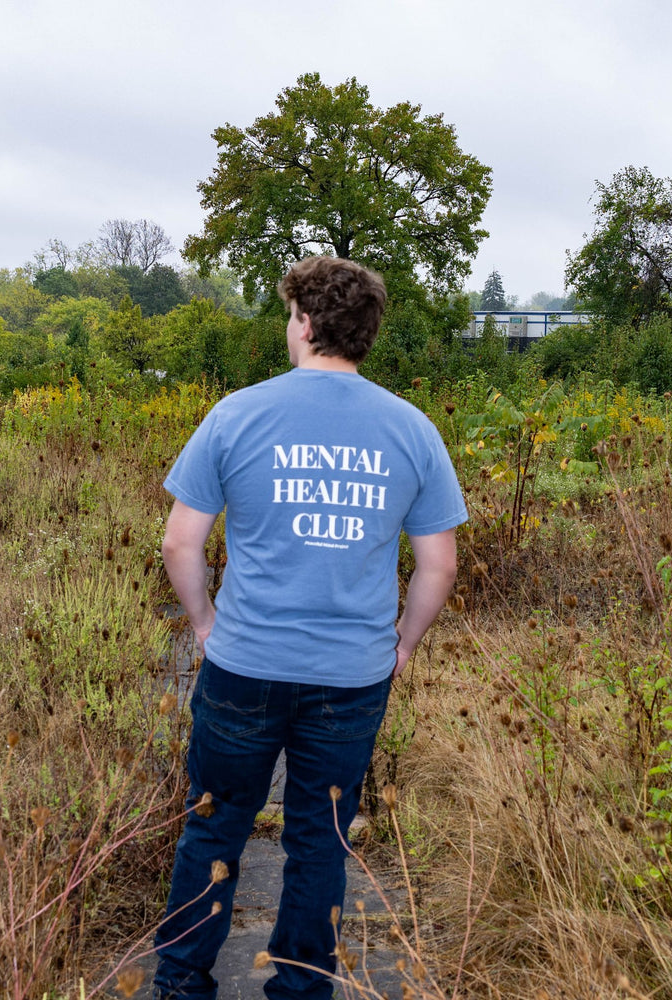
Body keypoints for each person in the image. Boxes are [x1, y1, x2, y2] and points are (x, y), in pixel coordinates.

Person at [153, 256, 467, 1000]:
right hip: (351, 675)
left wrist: (205, 623)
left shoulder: (237, 413)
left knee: (214, 824)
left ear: (303, 320)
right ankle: (299, 989)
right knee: (320, 840)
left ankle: (180, 985)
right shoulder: (412, 430)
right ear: (365, 332)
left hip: (244, 665)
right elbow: (440, 567)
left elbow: (179, 543)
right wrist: (402, 645)